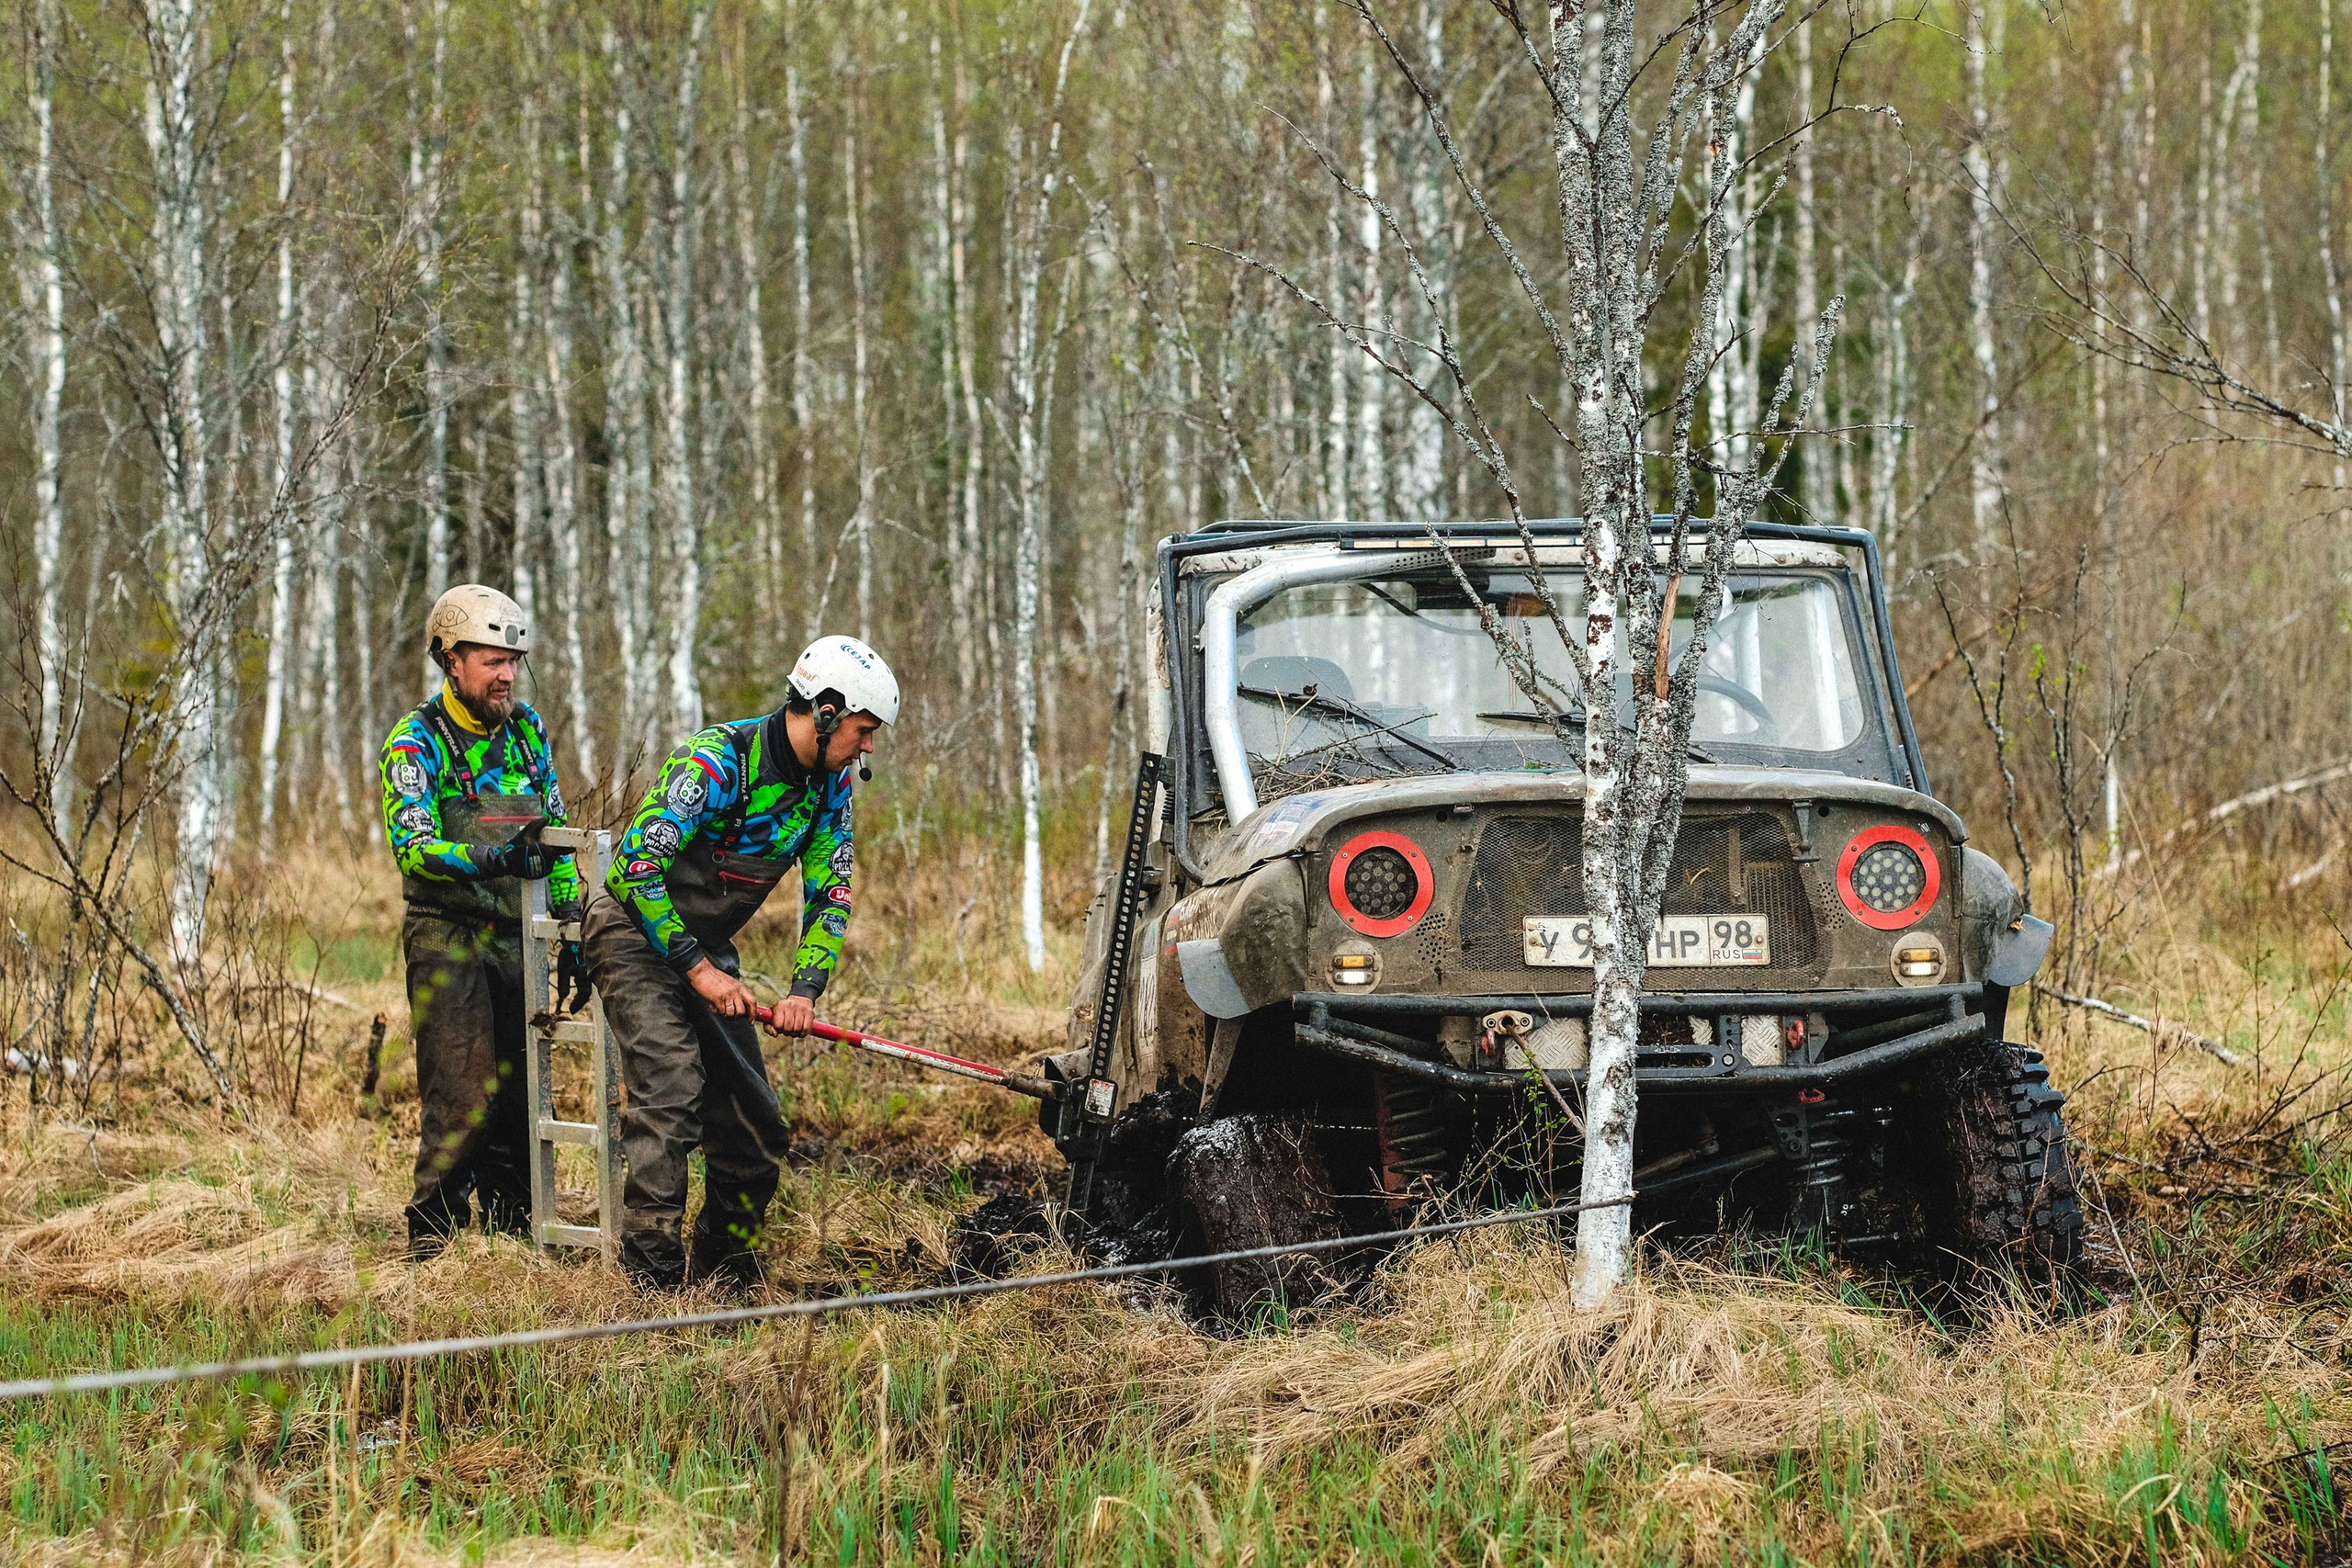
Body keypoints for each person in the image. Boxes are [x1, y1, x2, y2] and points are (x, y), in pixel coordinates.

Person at [581, 635, 897, 1291]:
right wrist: (699, 969)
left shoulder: (830, 790)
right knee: (671, 1088)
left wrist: (804, 989)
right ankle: (651, 1288)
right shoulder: (718, 760)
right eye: (864, 731)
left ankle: (724, 1279)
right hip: (633, 931)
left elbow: (831, 895)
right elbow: (636, 870)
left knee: (757, 1129)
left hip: (707, 946)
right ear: (828, 710)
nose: (868, 748)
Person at [380, 585, 582, 1257]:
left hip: (518, 932)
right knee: (464, 1091)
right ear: (450, 659)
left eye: (513, 661)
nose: (505, 675)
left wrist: (571, 920)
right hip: (446, 929)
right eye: (492, 660)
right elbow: (414, 846)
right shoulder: (416, 742)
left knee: (521, 1095)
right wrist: (492, 854)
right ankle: (431, 1245)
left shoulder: (526, 730)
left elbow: (550, 830)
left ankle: (512, 1241)